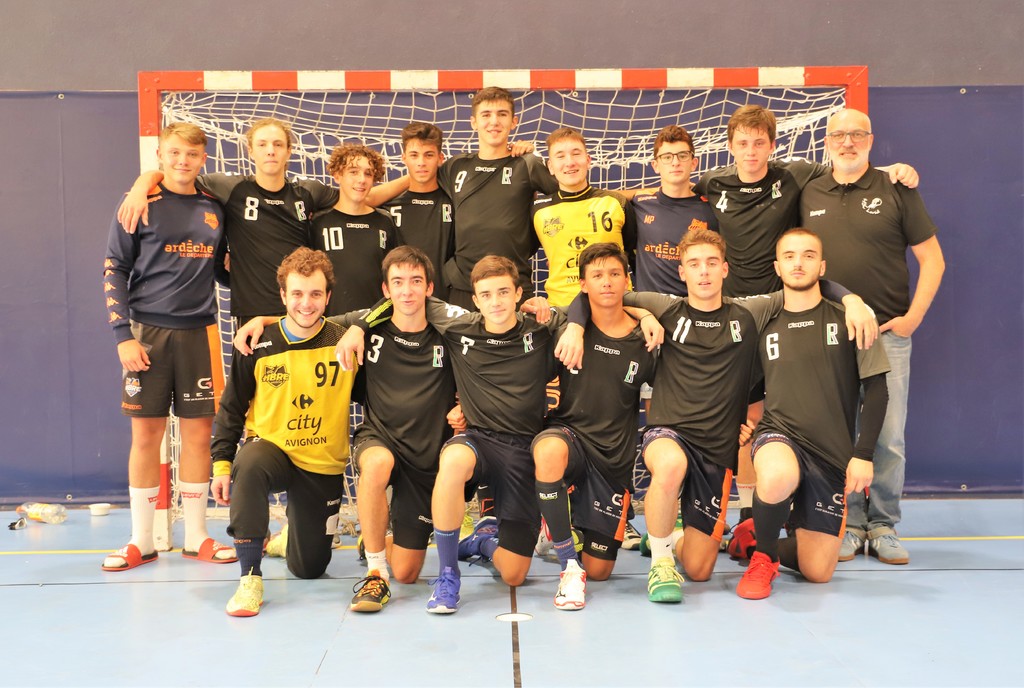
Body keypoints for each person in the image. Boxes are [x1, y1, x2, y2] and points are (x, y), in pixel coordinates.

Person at [590, 229, 876, 602]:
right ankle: (661, 562)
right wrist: (641, 315)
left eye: (712, 263)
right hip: (669, 434)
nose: (704, 272)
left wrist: (852, 299)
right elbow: (603, 295)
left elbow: (804, 282)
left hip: (716, 448)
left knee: (700, 570)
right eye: (694, 264)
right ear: (682, 272)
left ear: (725, 269)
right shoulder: (664, 307)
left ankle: (669, 536)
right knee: (671, 465)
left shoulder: (751, 313)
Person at [694, 105, 918, 534]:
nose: (751, 151)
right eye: (742, 143)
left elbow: (849, 166)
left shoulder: (795, 174)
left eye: (759, 143)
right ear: (730, 147)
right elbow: (672, 188)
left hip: (784, 313)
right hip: (738, 316)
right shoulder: (713, 181)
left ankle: (797, 513)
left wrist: (891, 171)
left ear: (772, 146)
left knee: (783, 415)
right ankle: (730, 513)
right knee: (735, 417)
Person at [234, 246, 460, 613]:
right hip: (377, 441)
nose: (406, 291)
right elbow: (306, 319)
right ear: (385, 290)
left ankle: (370, 538)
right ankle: (374, 572)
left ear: (429, 287)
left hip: (423, 456)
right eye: (397, 282)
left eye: (416, 282)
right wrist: (263, 320)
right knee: (375, 464)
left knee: (403, 572)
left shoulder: (450, 331)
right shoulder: (362, 328)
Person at [801, 108, 944, 565]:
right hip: (828, 336)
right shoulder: (809, 190)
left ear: (870, 139)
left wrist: (912, 318)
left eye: (857, 135)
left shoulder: (896, 187)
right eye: (839, 135)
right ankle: (846, 523)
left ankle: (882, 525)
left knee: (888, 437)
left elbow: (933, 260)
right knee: (837, 435)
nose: (847, 142)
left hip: (886, 335)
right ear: (826, 141)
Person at [101, 122, 236, 572]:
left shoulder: (214, 205)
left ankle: (196, 536)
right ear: (160, 154)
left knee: (199, 435)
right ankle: (142, 540)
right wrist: (123, 336)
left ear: (203, 158)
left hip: (200, 334)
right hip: (147, 337)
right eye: (174, 153)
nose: (183, 161)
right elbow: (114, 268)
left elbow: (220, 271)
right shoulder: (139, 202)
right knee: (146, 437)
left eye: (192, 154)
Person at [737, 229, 890, 600]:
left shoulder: (852, 318)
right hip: (779, 435)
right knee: (778, 475)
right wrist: (741, 423)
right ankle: (763, 560)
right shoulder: (764, 319)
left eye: (808, 255)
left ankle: (755, 539)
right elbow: (750, 384)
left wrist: (863, 455)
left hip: (831, 454)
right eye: (789, 256)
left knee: (817, 572)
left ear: (822, 267)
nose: (798, 263)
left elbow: (877, 390)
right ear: (777, 266)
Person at [210, 247, 359, 617]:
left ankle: (288, 539)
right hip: (271, 450)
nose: (305, 303)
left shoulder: (345, 342)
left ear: (328, 296)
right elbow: (232, 407)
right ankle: (250, 577)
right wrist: (221, 465)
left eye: (315, 294)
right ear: (282, 295)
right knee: (250, 463)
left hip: (321, 463)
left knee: (309, 568)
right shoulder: (256, 343)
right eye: (297, 293)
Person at [531, 243, 657, 610]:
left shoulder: (646, 340)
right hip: (570, 436)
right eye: (597, 275)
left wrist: (646, 314)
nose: (607, 282)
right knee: (547, 451)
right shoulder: (567, 328)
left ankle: (562, 524)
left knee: (600, 570)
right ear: (583, 285)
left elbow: (658, 402)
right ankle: (569, 565)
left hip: (612, 460)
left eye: (614, 274)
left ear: (627, 280)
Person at [117, 118, 341, 323]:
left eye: (278, 144)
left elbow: (354, 197)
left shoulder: (309, 191)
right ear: (250, 151)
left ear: (289, 151)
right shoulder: (231, 188)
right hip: (253, 313)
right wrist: (139, 188)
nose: (270, 151)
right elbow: (176, 175)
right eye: (262, 144)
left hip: (302, 310)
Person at [437, 87, 559, 309]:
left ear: (514, 122)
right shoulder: (455, 166)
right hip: (463, 287)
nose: (494, 121)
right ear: (474, 122)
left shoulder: (527, 164)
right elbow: (420, 182)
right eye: (486, 115)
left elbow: (571, 195)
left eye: (502, 114)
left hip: (513, 285)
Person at [530, 128, 637, 307]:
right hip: (562, 308)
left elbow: (635, 258)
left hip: (616, 306)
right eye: (560, 156)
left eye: (576, 154)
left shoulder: (616, 203)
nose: (569, 162)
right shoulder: (538, 210)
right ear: (550, 167)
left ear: (588, 160)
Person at [311, 143, 403, 315]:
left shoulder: (385, 221)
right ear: (337, 175)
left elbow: (395, 275)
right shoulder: (318, 222)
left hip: (375, 322)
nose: (362, 179)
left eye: (368, 173)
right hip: (331, 322)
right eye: (353, 172)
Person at [631, 125, 718, 296]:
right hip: (649, 308)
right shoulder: (640, 205)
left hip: (694, 306)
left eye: (682, 155)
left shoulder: (711, 210)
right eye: (667, 157)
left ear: (694, 163)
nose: (675, 162)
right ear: (655, 165)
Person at [380, 122, 454, 301]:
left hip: (447, 303)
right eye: (414, 155)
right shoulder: (388, 207)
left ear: (440, 158)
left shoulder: (455, 202)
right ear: (404, 158)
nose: (421, 163)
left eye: (429, 155)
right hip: (403, 302)